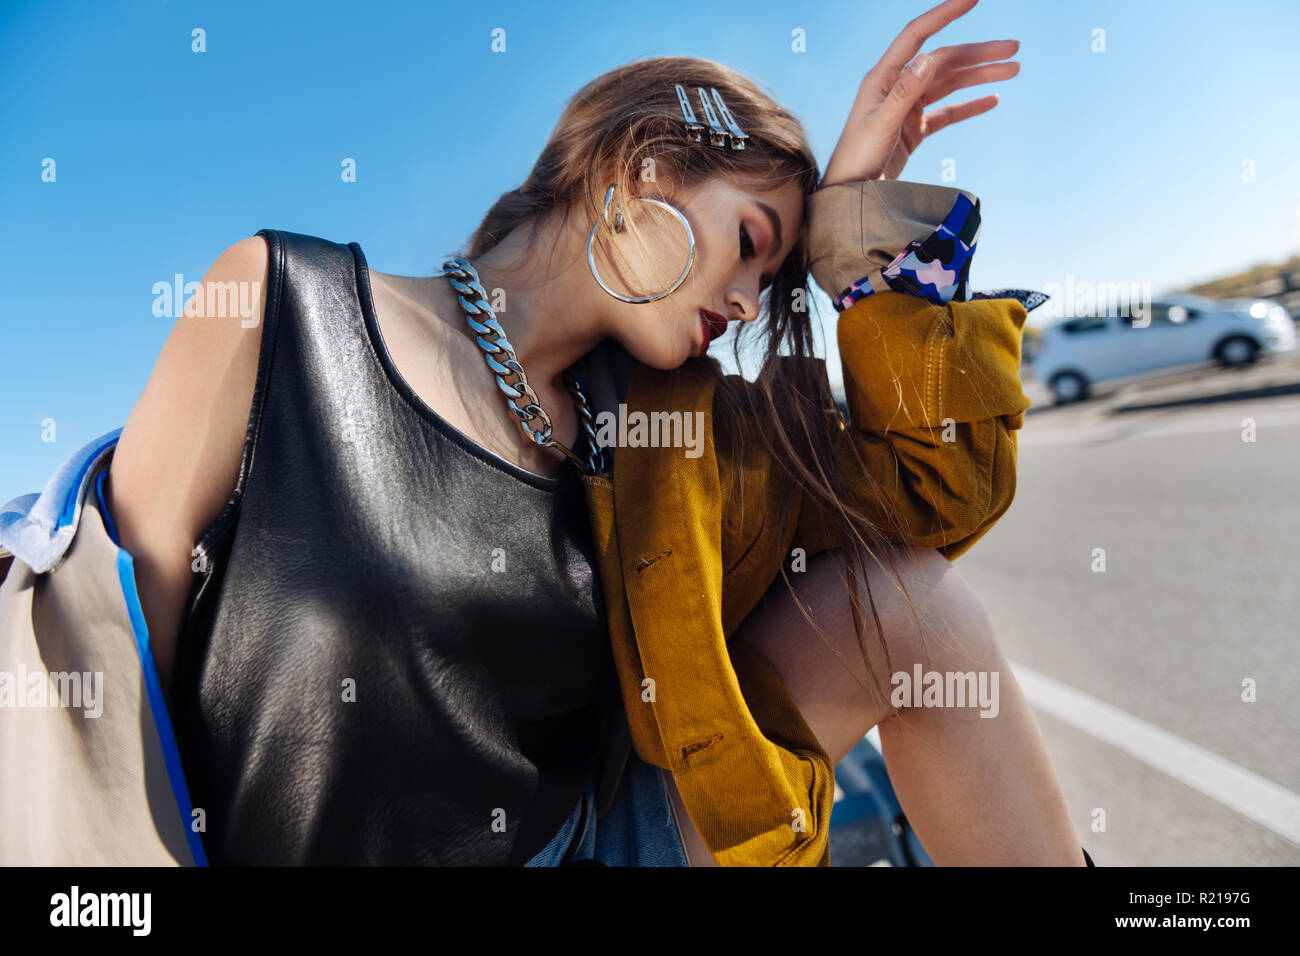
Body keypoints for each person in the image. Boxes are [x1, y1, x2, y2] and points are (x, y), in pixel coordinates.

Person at [3, 0, 1087, 865]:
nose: (751, 303)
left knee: (920, 610)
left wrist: (856, 225)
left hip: (591, 847)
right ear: (643, 165)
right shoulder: (279, 302)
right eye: (751, 240)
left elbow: (934, 496)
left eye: (773, 278)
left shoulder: (678, 426)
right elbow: (105, 677)